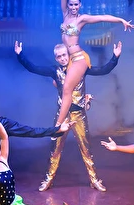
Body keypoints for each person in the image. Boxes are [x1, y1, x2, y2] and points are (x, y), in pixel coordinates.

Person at [15, 40, 122, 192]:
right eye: (59, 56)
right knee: (55, 149)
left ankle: (94, 180)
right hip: (62, 115)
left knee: (86, 149)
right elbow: (33, 68)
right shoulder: (54, 70)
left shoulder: (81, 68)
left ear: (69, 54)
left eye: (64, 55)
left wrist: (115, 57)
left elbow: (103, 70)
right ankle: (49, 179)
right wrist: (20, 55)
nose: (62, 58)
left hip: (79, 115)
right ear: (56, 58)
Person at [50, 0, 134, 135]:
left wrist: (121, 20)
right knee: (56, 83)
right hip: (68, 59)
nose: (73, 7)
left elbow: (103, 17)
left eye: (76, 4)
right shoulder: (65, 15)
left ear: (80, 4)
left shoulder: (82, 19)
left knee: (66, 89)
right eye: (71, 4)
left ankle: (57, 126)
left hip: (78, 57)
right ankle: (83, 99)